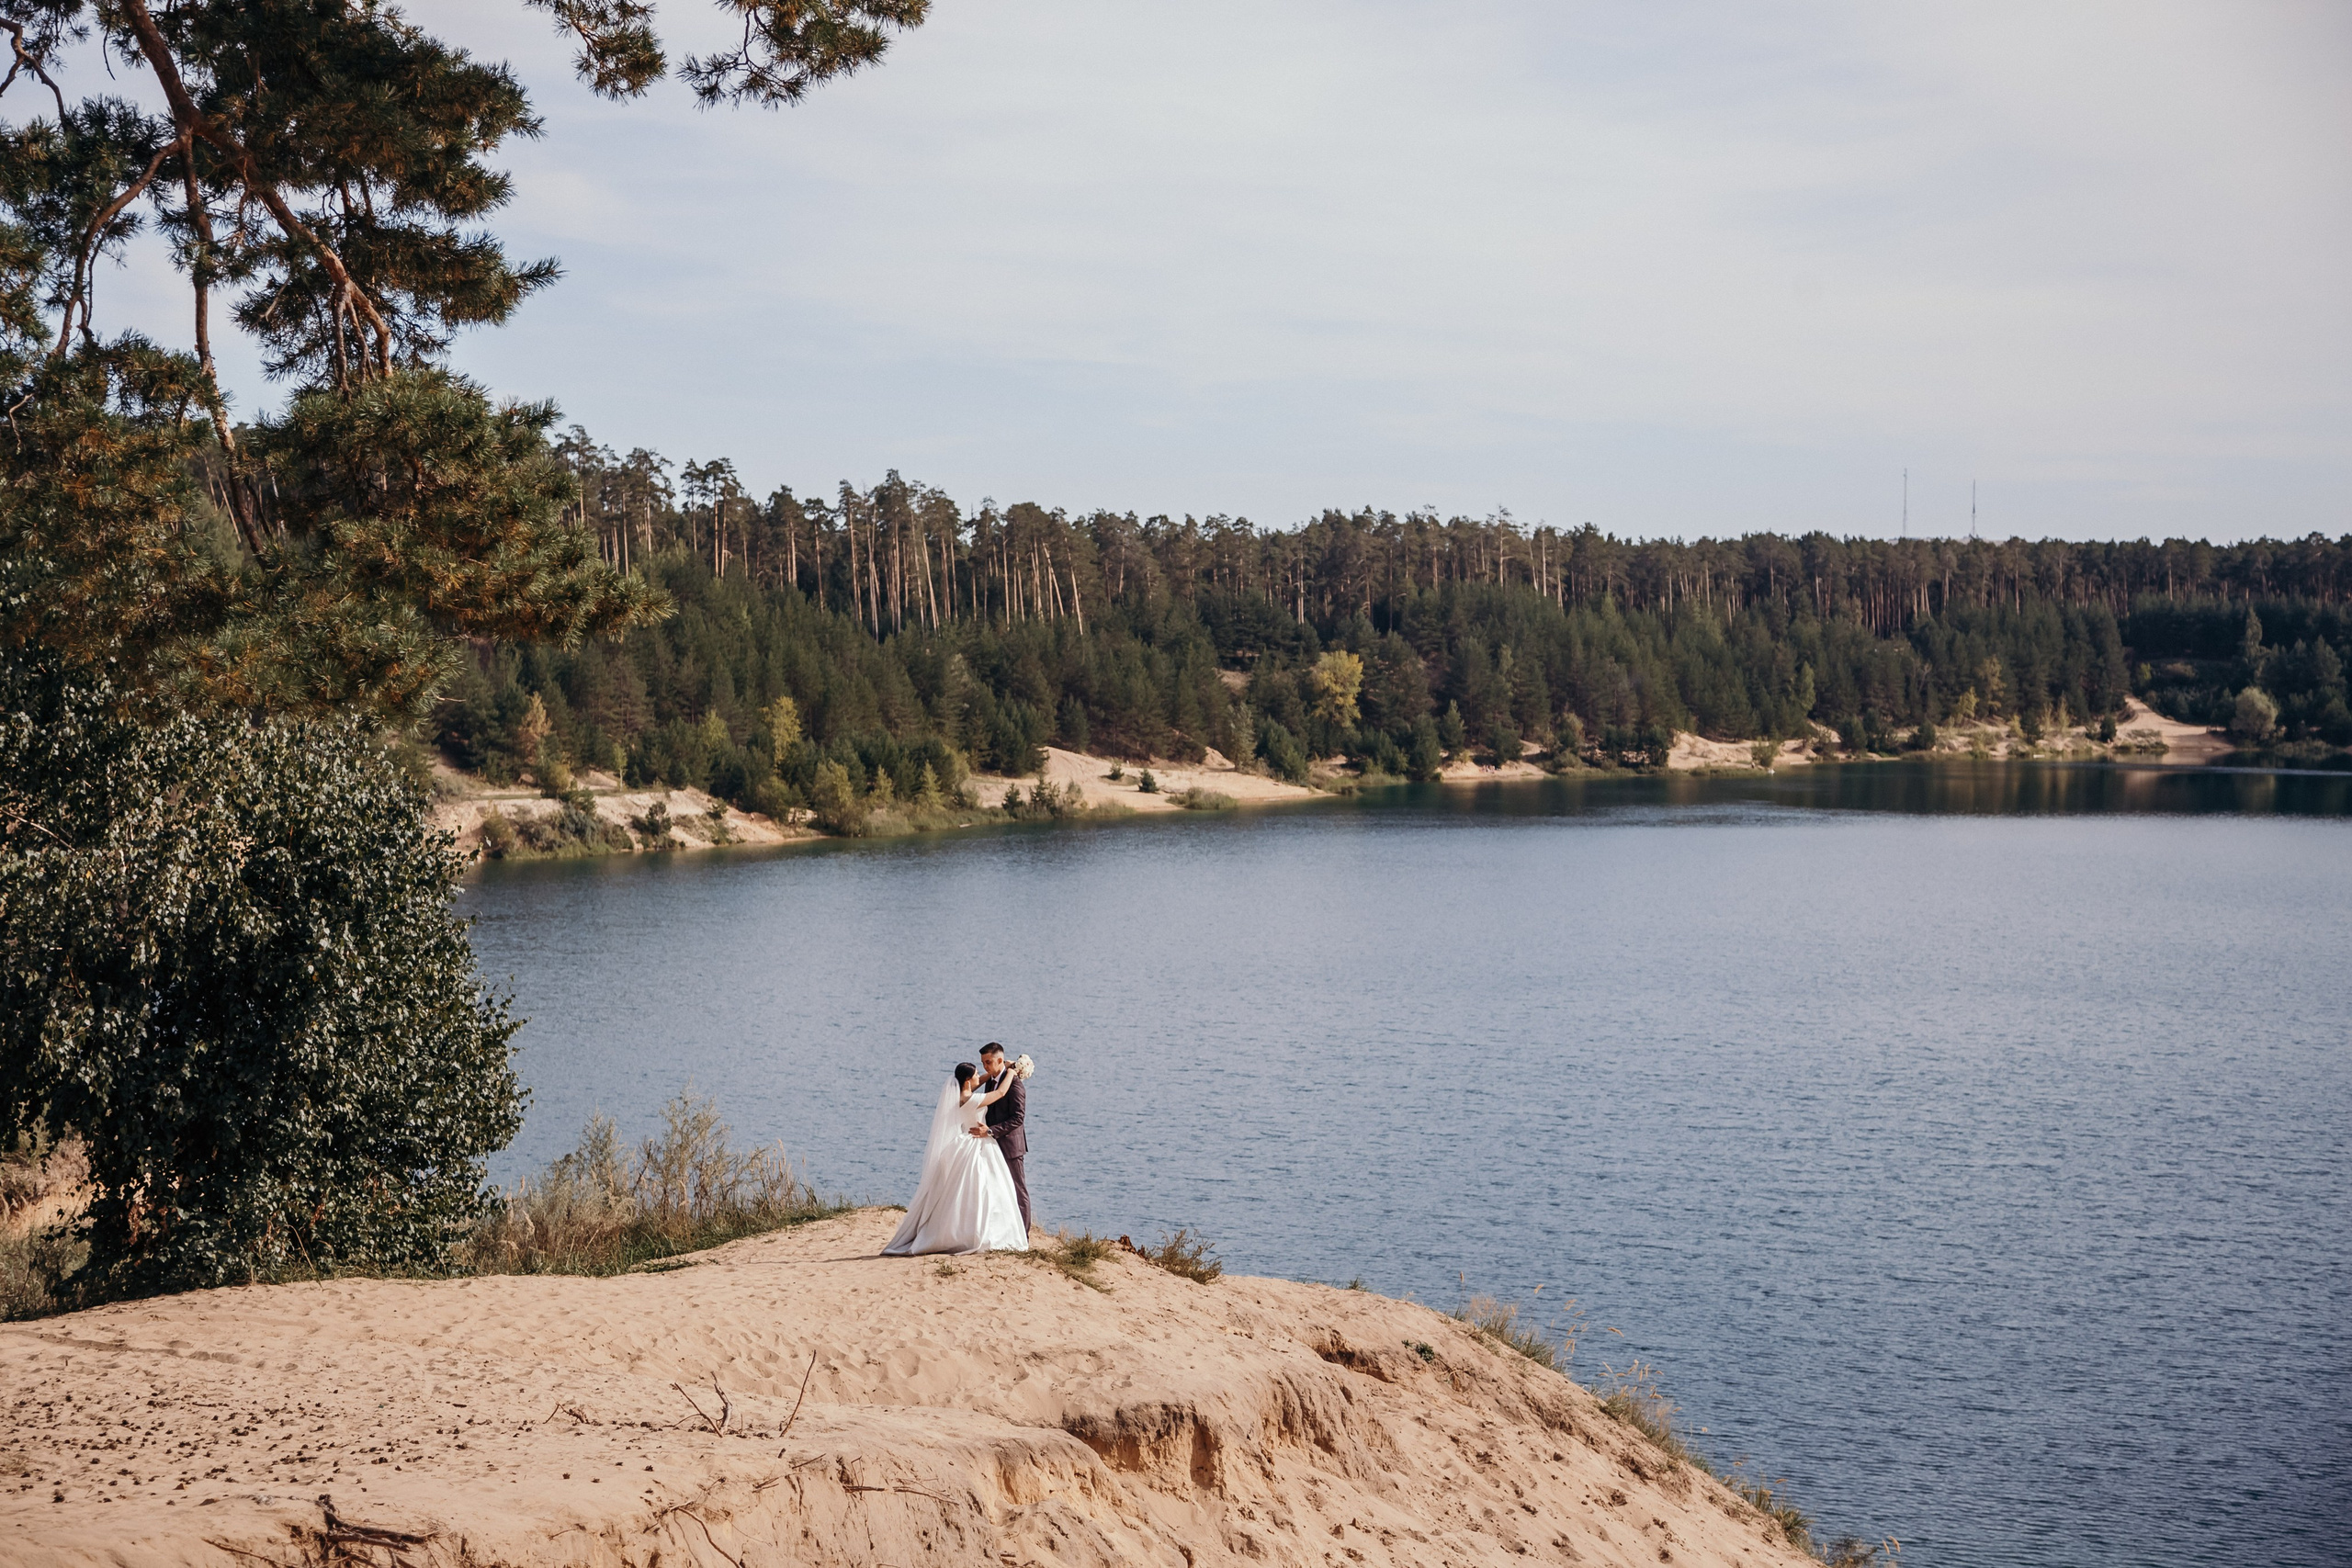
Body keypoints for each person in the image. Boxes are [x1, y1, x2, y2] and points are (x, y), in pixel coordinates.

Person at [880, 1059, 1028, 1256]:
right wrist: (1011, 1071)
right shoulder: (971, 1098)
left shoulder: (959, 1095)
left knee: (963, 1190)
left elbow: (979, 1080)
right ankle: (974, 1233)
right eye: (976, 1074)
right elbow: (1000, 1093)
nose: (980, 1077)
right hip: (976, 1142)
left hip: (963, 1143)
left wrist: (995, 1072)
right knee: (984, 1188)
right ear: (967, 1080)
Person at [970, 1042, 1032, 1236]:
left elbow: (1018, 1118)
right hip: (993, 1145)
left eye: (988, 1062)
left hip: (1011, 1146)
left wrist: (990, 1131)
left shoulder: (1014, 1085)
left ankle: (1024, 1235)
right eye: (983, 1063)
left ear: (1000, 1060)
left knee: (1018, 1190)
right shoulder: (992, 1080)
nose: (985, 1066)